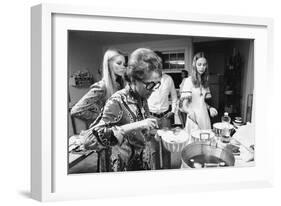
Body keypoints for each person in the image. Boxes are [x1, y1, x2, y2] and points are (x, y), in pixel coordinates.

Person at [85, 48, 162, 171]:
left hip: (140, 163)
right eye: (150, 84)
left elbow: (139, 131)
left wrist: (152, 133)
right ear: (134, 79)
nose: (153, 89)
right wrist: (137, 125)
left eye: (157, 84)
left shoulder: (142, 98)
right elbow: (89, 141)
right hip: (121, 168)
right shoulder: (117, 101)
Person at [70, 49, 126, 126]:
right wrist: (103, 117)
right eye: (119, 63)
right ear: (109, 64)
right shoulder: (101, 86)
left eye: (124, 64)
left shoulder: (118, 85)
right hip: (105, 131)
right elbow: (76, 110)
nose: (123, 67)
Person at [147, 52, 177, 169]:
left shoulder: (168, 79)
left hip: (165, 118)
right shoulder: (147, 79)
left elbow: (174, 97)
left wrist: (173, 111)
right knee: (153, 149)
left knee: (166, 148)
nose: (157, 65)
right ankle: (156, 173)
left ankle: (166, 171)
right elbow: (142, 98)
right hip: (151, 118)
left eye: (159, 62)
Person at [180, 52, 217, 134]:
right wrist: (190, 112)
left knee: (205, 140)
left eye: (204, 65)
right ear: (194, 65)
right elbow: (183, 105)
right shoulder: (188, 81)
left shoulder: (205, 82)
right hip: (193, 117)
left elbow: (201, 101)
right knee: (194, 142)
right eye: (199, 64)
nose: (202, 67)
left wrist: (209, 108)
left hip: (204, 116)